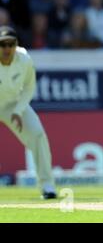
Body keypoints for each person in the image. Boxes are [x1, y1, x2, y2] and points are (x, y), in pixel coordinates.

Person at [0, 26, 57, 199]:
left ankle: (47, 186)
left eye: (11, 44)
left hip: (13, 104)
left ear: (16, 45)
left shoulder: (24, 59)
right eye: (3, 45)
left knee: (37, 135)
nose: (7, 49)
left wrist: (18, 110)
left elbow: (29, 86)